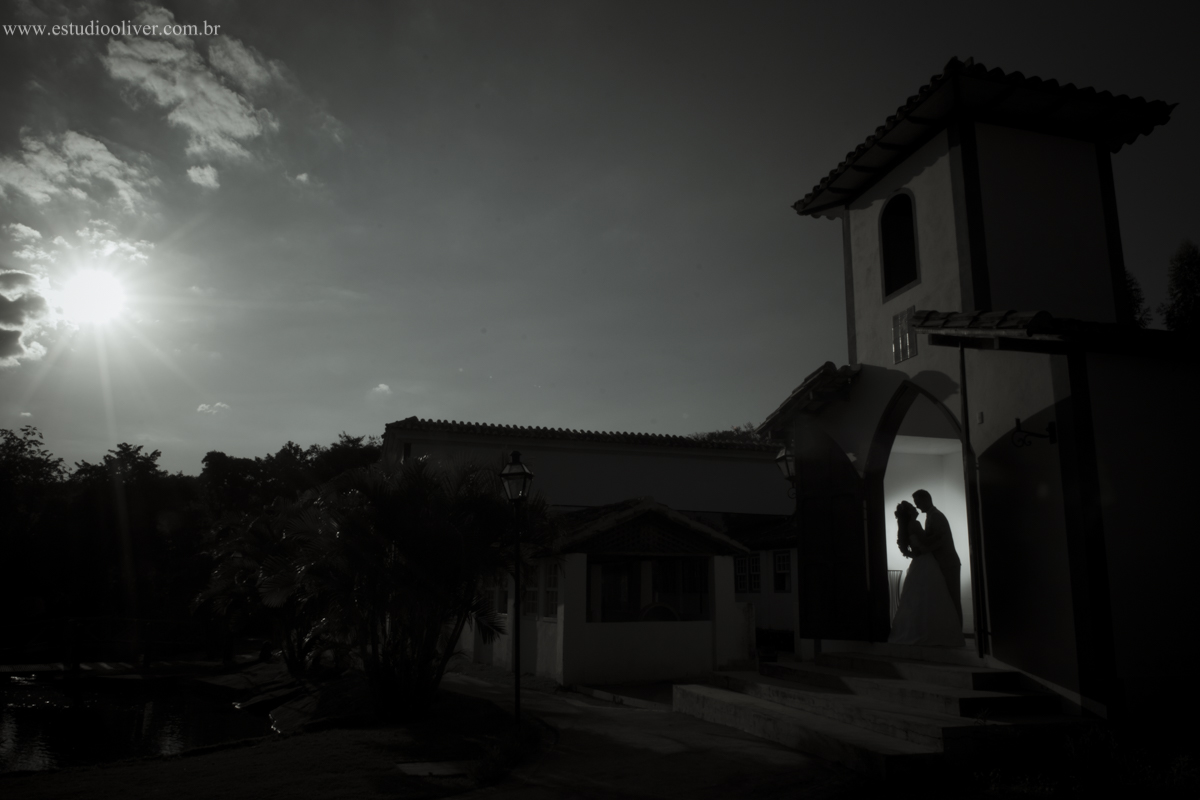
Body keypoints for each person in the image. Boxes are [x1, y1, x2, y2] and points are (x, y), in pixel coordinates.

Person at [888, 501, 964, 647]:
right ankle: (937, 632)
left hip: (917, 562)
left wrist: (914, 554)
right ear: (910, 512)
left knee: (916, 597)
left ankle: (917, 630)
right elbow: (925, 541)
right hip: (927, 562)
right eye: (913, 507)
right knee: (934, 595)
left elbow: (904, 549)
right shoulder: (915, 524)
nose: (916, 508)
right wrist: (940, 536)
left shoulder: (904, 528)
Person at [912, 489, 963, 626]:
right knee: (946, 599)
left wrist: (925, 550)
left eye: (918, 502)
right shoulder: (931, 516)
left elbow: (942, 540)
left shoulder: (936, 516)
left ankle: (958, 631)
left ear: (926, 500)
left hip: (948, 563)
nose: (916, 506)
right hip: (942, 563)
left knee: (952, 598)